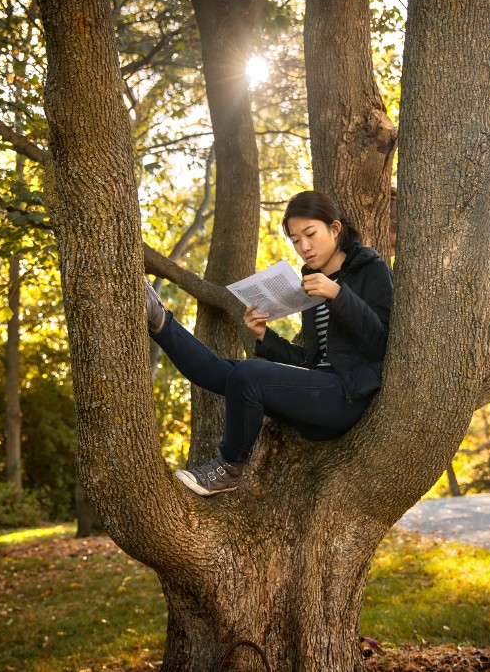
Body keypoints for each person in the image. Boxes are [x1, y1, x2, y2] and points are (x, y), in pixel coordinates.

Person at [144, 190, 394, 497]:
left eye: (310, 234)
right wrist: (264, 336)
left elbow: (381, 343)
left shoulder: (373, 271)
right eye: (295, 239)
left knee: (248, 375)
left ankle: (230, 466)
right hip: (317, 392)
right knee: (230, 373)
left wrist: (338, 295)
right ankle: (159, 320)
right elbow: (309, 360)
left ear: (334, 229)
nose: (303, 246)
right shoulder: (312, 284)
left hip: (347, 397)